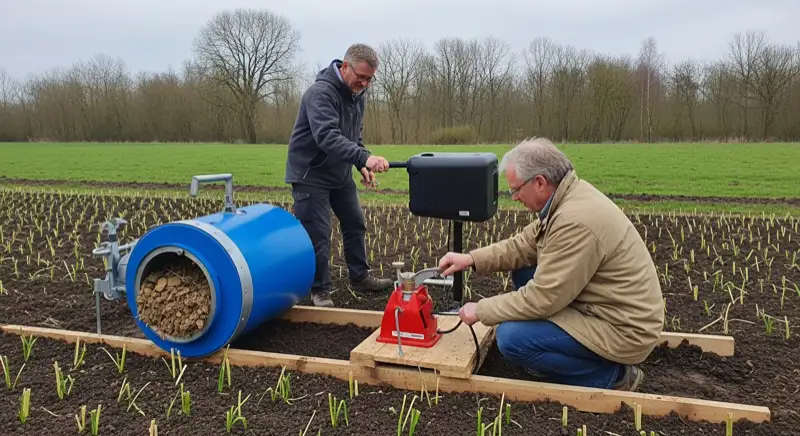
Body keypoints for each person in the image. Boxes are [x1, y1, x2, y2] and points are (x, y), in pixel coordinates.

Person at [437, 137, 664, 391]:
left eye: (515, 190)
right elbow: (524, 245)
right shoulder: (567, 197)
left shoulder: (574, 221)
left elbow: (543, 297)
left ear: (540, 183)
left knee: (511, 338)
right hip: (605, 306)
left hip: (624, 329)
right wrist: (470, 259)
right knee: (524, 269)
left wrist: (481, 310)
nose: (515, 198)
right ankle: (556, 350)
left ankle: (613, 377)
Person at [285, 43, 394, 307]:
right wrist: (364, 158)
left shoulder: (357, 94)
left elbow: (354, 135)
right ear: (345, 67)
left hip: (339, 172)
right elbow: (327, 137)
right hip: (311, 173)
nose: (365, 84)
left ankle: (360, 277)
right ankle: (319, 290)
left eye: (370, 79)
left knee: (355, 223)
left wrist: (361, 164)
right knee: (319, 234)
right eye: (362, 77)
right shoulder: (319, 94)